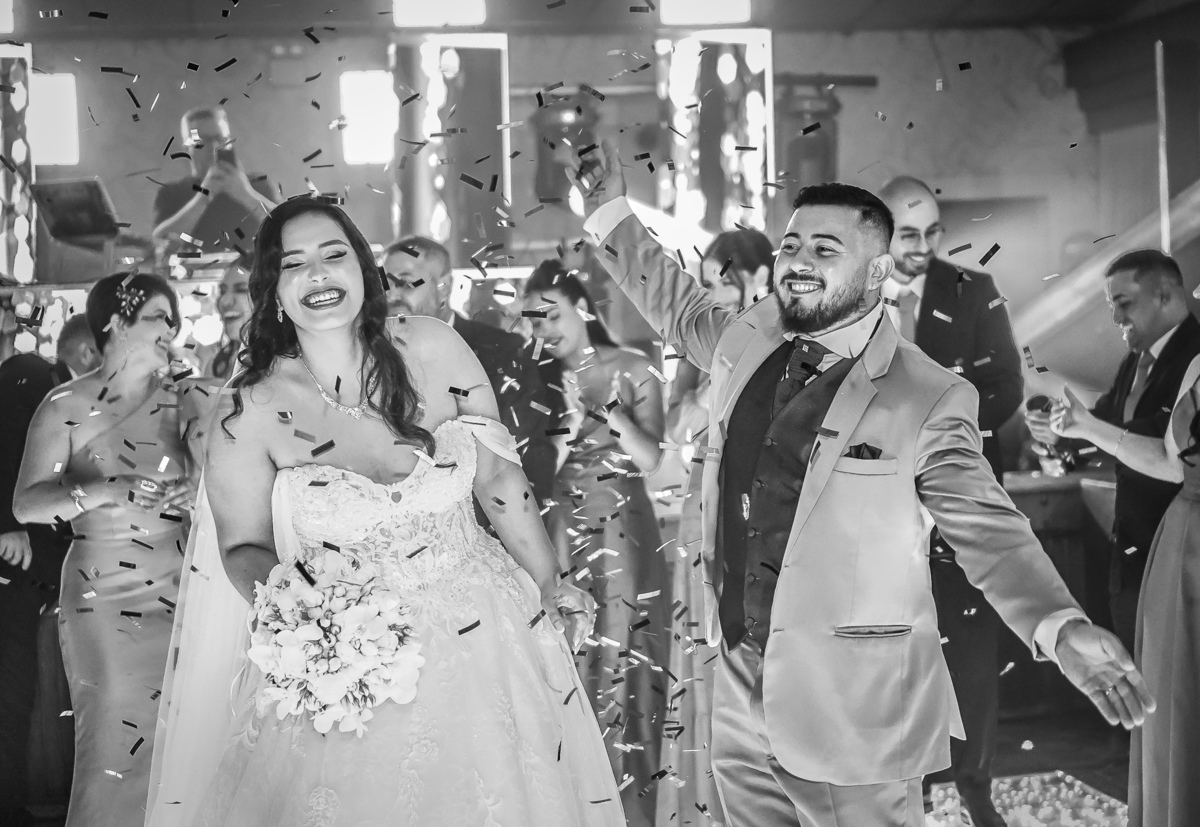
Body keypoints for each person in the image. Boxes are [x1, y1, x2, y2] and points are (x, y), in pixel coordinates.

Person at [576, 141, 1153, 827]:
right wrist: (610, 210)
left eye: (825, 249)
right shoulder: (747, 339)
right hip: (738, 688)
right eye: (792, 246)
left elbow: (988, 526)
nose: (798, 261)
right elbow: (674, 303)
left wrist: (1059, 625)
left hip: (855, 710)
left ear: (878, 270)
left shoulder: (927, 395)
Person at [146, 196, 622, 827]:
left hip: (485, 635)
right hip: (346, 669)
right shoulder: (249, 411)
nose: (318, 274)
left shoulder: (434, 346)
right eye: (294, 263)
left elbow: (498, 477)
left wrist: (550, 581)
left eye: (333, 254)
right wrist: (305, 615)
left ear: (363, 271)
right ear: (274, 291)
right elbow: (241, 547)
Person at [12, 274, 202, 827]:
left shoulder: (187, 396)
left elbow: (228, 479)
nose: (172, 328)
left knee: (183, 731)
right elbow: (27, 504)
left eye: (174, 318)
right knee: (115, 736)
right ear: (116, 323)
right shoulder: (65, 404)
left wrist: (197, 490)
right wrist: (101, 491)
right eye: (158, 316)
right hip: (103, 591)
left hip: (182, 582)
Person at [878, 176, 1024, 826]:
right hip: (878, 508)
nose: (924, 246)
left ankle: (974, 784)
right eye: (909, 234)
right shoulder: (851, 295)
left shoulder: (973, 289)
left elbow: (1007, 384)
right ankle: (907, 783)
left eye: (933, 232)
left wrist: (938, 433)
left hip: (958, 498)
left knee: (968, 644)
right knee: (892, 649)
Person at [523, 260, 669, 827]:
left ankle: (631, 808)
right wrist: (561, 417)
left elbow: (652, 459)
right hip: (560, 528)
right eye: (533, 320)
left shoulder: (632, 366)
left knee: (627, 655)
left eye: (551, 315)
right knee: (570, 653)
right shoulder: (534, 377)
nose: (544, 329)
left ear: (581, 309)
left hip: (623, 529)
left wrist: (609, 415)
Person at [1048, 330, 1200, 827]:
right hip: (1184, 552)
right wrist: (1086, 427)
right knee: (1178, 713)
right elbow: (1170, 462)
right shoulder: (1198, 364)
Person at [1027, 249, 1200, 655]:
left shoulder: (1194, 354)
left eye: (1123, 303)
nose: (1115, 318)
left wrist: (1086, 427)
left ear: (1164, 295)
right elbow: (1103, 421)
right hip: (1130, 547)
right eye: (1111, 306)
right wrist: (1059, 437)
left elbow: (1162, 441)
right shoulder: (1133, 362)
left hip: (1180, 544)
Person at [659, 228, 773, 827]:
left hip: (760, 513)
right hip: (699, 510)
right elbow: (675, 429)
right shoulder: (699, 349)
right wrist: (706, 391)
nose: (709, 296)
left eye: (720, 283)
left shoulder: (790, 342)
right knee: (702, 656)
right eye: (702, 284)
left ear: (758, 279)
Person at [0, 315, 99, 826]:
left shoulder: (52, 386)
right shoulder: (33, 376)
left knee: (20, 686)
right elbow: (7, 448)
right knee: (12, 685)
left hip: (34, 562)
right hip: (14, 558)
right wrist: (7, 523)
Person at [381, 235, 558, 510]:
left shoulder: (502, 350)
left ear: (443, 287)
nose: (392, 296)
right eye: (384, 284)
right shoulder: (372, 354)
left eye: (405, 283)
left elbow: (526, 451)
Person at [152, 106, 276, 252]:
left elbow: (288, 227)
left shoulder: (259, 185)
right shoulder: (172, 193)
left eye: (220, 138)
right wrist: (202, 198)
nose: (214, 147)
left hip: (253, 266)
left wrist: (246, 194)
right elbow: (160, 241)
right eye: (203, 141)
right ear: (187, 147)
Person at [198, 257, 252, 380]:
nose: (224, 301)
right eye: (222, 291)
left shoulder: (289, 365)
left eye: (241, 290)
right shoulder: (217, 366)